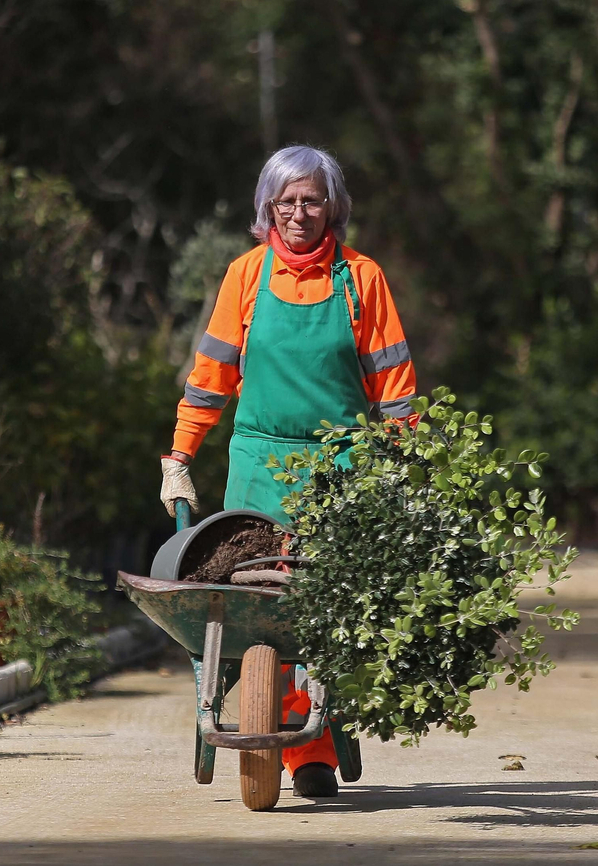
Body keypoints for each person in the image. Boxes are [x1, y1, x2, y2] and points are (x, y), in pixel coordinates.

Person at [159, 145, 417, 798]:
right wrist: (180, 456)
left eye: (311, 200)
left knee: (323, 608)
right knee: (259, 605)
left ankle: (312, 748)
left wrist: (395, 460)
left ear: (333, 206)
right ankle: (274, 725)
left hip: (341, 463)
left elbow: (394, 388)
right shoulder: (246, 276)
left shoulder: (362, 279)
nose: (299, 212)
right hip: (259, 465)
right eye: (286, 201)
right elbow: (211, 377)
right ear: (266, 208)